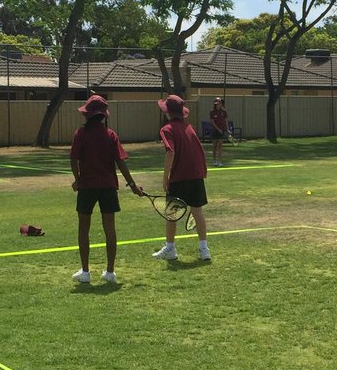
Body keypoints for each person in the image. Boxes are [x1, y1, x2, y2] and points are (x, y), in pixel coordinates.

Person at [70, 95, 142, 284]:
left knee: (83, 229)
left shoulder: (81, 133)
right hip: (108, 186)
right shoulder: (111, 135)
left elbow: (73, 159)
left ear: (88, 115)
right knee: (110, 229)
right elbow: (121, 162)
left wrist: (77, 180)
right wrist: (133, 185)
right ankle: (110, 272)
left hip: (87, 186)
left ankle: (85, 272)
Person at [153, 94, 211, 262]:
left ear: (168, 112)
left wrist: (165, 177)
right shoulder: (189, 128)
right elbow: (199, 151)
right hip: (195, 175)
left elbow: (170, 151)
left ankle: (170, 248)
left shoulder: (167, 129)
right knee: (197, 211)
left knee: (171, 213)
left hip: (179, 177)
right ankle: (204, 249)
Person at [209, 97, 230, 167]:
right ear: (215, 104)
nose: (219, 104)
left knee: (220, 145)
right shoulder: (212, 112)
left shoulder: (224, 111)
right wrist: (218, 129)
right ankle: (214, 161)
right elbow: (212, 122)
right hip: (215, 130)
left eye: (220, 103)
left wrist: (227, 129)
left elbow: (226, 121)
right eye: (217, 103)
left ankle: (219, 161)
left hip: (222, 130)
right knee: (214, 146)